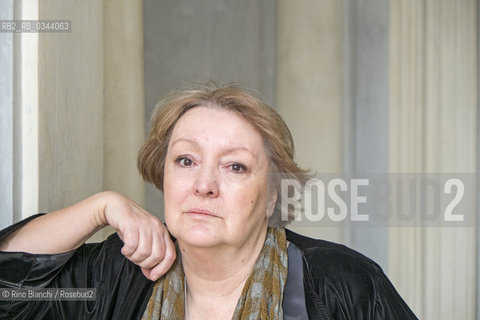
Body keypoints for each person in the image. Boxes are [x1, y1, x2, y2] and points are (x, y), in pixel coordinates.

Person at [0, 83, 417, 319]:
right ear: (162, 174)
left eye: (234, 167)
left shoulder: (342, 283)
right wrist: (100, 207)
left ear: (273, 192)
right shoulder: (119, 271)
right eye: (186, 160)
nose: (204, 185)